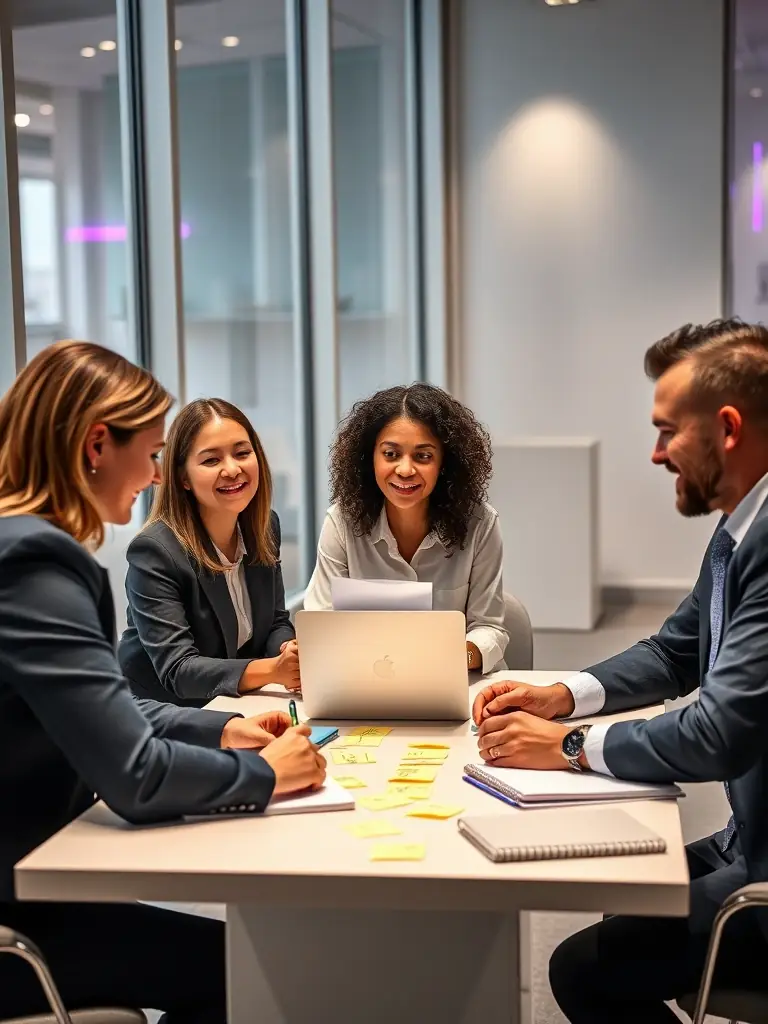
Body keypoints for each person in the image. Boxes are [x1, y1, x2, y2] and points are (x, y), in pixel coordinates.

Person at [0, 341, 326, 1023]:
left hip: (39, 876)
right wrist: (268, 775)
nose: (152, 475)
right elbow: (136, 778)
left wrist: (222, 727)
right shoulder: (36, 563)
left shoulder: (17, 542)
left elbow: (104, 710)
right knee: (248, 969)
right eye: (150, 453)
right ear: (96, 445)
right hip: (21, 916)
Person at [472, 318, 768, 1022]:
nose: (658, 453)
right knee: (623, 897)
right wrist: (560, 695)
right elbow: (675, 649)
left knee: (585, 969)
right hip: (748, 835)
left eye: (669, 431)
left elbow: (717, 732)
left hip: (762, 867)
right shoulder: (741, 527)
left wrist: (570, 750)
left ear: (726, 427)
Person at [304, 383, 508, 673]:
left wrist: (454, 658)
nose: (405, 470)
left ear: (444, 464)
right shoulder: (341, 521)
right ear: (369, 458)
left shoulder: (481, 523)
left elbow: (489, 628)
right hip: (364, 681)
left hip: (459, 683)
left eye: (423, 456)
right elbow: (320, 621)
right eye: (390, 454)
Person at [119, 398, 299, 707]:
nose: (232, 469)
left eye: (242, 453)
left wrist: (288, 651)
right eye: (211, 461)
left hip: (236, 703)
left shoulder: (265, 526)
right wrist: (273, 670)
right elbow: (179, 670)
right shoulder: (155, 552)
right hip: (166, 718)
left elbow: (275, 622)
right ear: (183, 478)